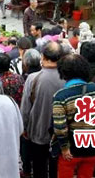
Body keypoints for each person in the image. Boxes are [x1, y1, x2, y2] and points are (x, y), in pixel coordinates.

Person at [20, 42, 66, 178]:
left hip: (38, 131)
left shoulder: (33, 78)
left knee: (39, 166)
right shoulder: (67, 78)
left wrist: (24, 128)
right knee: (55, 166)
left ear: (43, 57)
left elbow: (25, 108)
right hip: (61, 132)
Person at [52, 54, 95, 178]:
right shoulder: (94, 89)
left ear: (63, 72)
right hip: (92, 145)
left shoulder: (61, 96)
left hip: (72, 149)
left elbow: (60, 127)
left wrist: (64, 147)